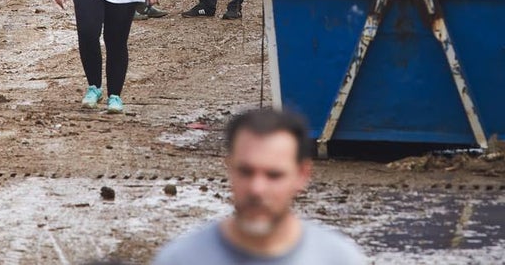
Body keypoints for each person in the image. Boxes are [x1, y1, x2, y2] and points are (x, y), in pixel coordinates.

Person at [153, 108, 367, 264]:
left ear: (302, 175)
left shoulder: (340, 259)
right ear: (229, 167)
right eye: (246, 171)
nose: (257, 189)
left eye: (274, 175)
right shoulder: (179, 259)